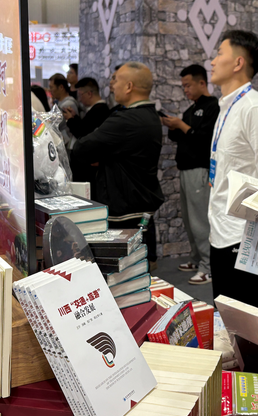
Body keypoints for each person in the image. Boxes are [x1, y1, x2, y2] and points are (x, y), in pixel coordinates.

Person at [208, 30, 258, 317]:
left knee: (250, 322)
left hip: (244, 236)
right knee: (230, 320)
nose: (213, 61)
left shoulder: (255, 107)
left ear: (238, 63)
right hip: (221, 230)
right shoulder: (228, 106)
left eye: (219, 54)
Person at [71, 62, 163, 268]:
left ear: (129, 86)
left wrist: (102, 156)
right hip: (137, 204)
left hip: (125, 210)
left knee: (123, 275)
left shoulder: (126, 120)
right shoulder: (150, 116)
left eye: (116, 80)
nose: (112, 86)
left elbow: (81, 148)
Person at [162, 64, 219, 286]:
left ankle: (208, 266)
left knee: (200, 220)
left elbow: (205, 139)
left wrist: (182, 125)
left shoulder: (213, 107)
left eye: (188, 85)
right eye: (183, 85)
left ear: (201, 83)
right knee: (189, 219)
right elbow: (180, 138)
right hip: (186, 169)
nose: (185, 89)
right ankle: (197, 259)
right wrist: (173, 125)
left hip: (200, 169)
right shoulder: (191, 108)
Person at [64, 77, 110, 184]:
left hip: (88, 166)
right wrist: (74, 118)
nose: (79, 99)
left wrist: (70, 120)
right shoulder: (97, 109)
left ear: (89, 94)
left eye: (80, 95)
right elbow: (85, 128)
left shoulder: (98, 110)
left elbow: (82, 133)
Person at [48, 73, 81, 149]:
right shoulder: (61, 103)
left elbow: (55, 124)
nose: (50, 90)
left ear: (61, 87)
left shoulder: (68, 104)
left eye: (51, 87)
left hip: (68, 146)